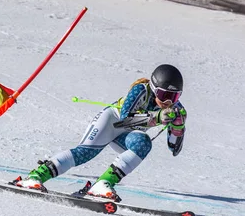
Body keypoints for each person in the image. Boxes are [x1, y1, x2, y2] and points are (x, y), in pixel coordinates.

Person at [15, 64, 187, 201]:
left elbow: (174, 149)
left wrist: (178, 128)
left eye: (173, 97)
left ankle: (103, 183)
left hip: (128, 134)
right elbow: (125, 120)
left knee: (144, 143)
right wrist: (157, 117)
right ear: (154, 88)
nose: (167, 101)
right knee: (84, 153)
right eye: (163, 94)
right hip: (112, 121)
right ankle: (36, 176)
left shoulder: (175, 109)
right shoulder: (141, 90)